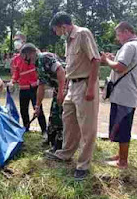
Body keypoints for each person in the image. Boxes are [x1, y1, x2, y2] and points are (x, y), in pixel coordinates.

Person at [45, 12, 100, 181]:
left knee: (87, 127)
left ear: (63, 25)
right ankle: (65, 153)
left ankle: (83, 165)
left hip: (85, 85)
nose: (56, 33)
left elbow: (96, 60)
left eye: (56, 29)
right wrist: (66, 88)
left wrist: (90, 88)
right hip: (72, 85)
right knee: (68, 120)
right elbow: (72, 66)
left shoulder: (83, 33)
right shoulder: (68, 40)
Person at [100, 22, 137, 169]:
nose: (118, 38)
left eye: (119, 34)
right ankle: (121, 155)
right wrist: (114, 58)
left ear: (126, 31)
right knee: (121, 126)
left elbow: (120, 67)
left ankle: (123, 161)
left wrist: (105, 60)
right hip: (128, 93)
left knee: (123, 127)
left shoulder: (129, 46)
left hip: (124, 94)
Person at [20, 43, 66, 152]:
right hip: (58, 89)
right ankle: (51, 139)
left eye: (25, 57)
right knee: (54, 114)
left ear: (31, 53)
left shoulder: (45, 57)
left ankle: (59, 145)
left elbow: (61, 71)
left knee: (59, 116)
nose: (24, 60)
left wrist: (61, 92)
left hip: (65, 87)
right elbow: (41, 85)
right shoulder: (37, 64)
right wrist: (37, 106)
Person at [9, 32, 47, 135]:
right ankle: (26, 128)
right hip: (23, 88)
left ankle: (44, 130)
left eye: (18, 40)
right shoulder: (16, 59)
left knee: (38, 108)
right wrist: (12, 81)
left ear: (24, 41)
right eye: (15, 40)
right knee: (23, 109)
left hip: (35, 86)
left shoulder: (33, 53)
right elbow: (16, 73)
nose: (16, 42)